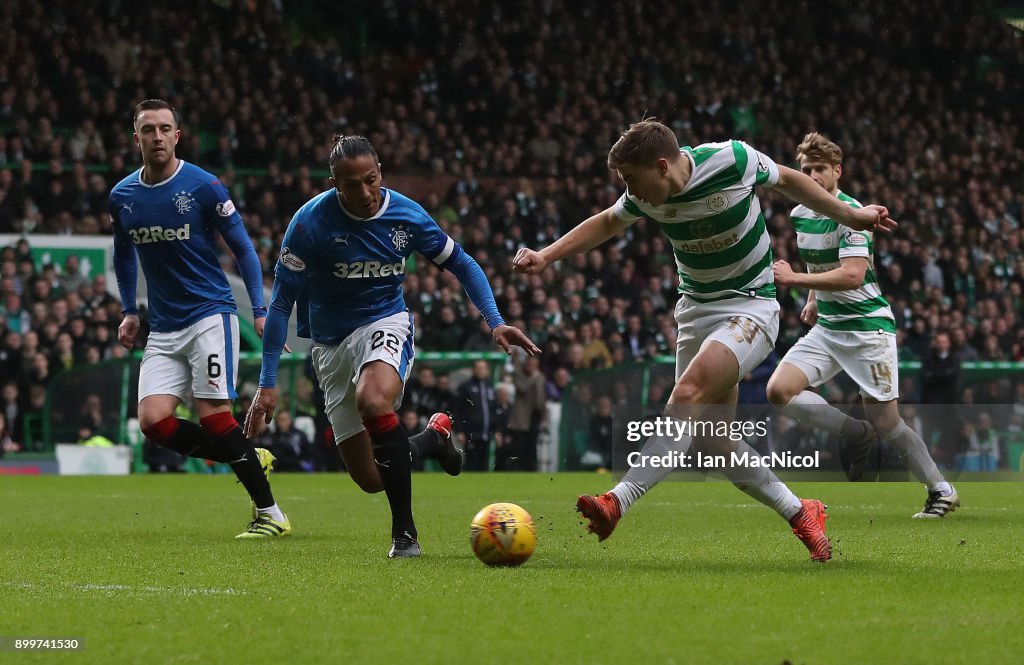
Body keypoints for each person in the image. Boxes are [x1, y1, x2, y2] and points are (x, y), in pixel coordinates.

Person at [514, 119, 895, 562]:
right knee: (715, 444)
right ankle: (801, 511)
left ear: (661, 166)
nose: (630, 191)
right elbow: (605, 223)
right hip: (695, 311)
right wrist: (546, 255)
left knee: (687, 394)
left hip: (751, 306)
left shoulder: (731, 160)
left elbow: (790, 181)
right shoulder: (645, 195)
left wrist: (851, 215)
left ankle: (617, 501)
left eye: (632, 180)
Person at [245, 135, 539, 558]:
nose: (365, 192)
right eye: (352, 184)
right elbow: (281, 303)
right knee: (370, 477)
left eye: (371, 179)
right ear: (334, 183)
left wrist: (495, 321)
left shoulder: (406, 215)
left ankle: (404, 534)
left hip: (384, 321)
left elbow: (462, 262)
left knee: (373, 399)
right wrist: (266, 381)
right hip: (328, 345)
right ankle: (434, 439)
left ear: (380, 172)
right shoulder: (309, 223)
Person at [109, 99, 289, 539]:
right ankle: (244, 452)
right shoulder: (123, 197)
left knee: (213, 416)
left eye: (164, 128)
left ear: (177, 135)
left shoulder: (204, 186)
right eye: (147, 129)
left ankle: (272, 515)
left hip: (210, 315)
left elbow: (244, 249)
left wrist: (260, 312)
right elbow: (123, 253)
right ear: (136, 138)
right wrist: (130, 310)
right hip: (164, 326)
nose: (156, 137)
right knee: (153, 421)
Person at [766, 133, 958, 519]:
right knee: (779, 391)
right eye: (806, 170)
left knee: (887, 422)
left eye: (819, 169)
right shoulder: (801, 213)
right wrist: (814, 300)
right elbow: (824, 266)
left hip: (868, 328)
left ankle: (941, 489)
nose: (812, 176)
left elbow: (853, 276)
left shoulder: (854, 214)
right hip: (829, 328)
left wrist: (794, 280)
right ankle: (855, 434)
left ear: (837, 171)